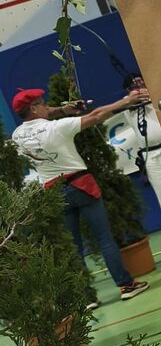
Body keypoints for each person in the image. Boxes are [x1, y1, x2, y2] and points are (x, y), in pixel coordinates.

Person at [11, 86, 152, 301]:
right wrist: (126, 101)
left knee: (74, 247)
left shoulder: (17, 135)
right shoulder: (58, 127)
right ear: (34, 108)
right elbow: (96, 116)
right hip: (81, 185)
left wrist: (64, 110)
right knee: (104, 238)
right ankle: (126, 285)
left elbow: (45, 116)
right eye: (42, 103)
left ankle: (87, 298)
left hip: (55, 193)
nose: (47, 107)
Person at [123, 72, 161, 235]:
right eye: (134, 85)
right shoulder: (128, 105)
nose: (139, 86)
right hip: (150, 152)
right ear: (128, 90)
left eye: (141, 82)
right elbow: (128, 104)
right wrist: (135, 96)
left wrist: (149, 93)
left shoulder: (156, 95)